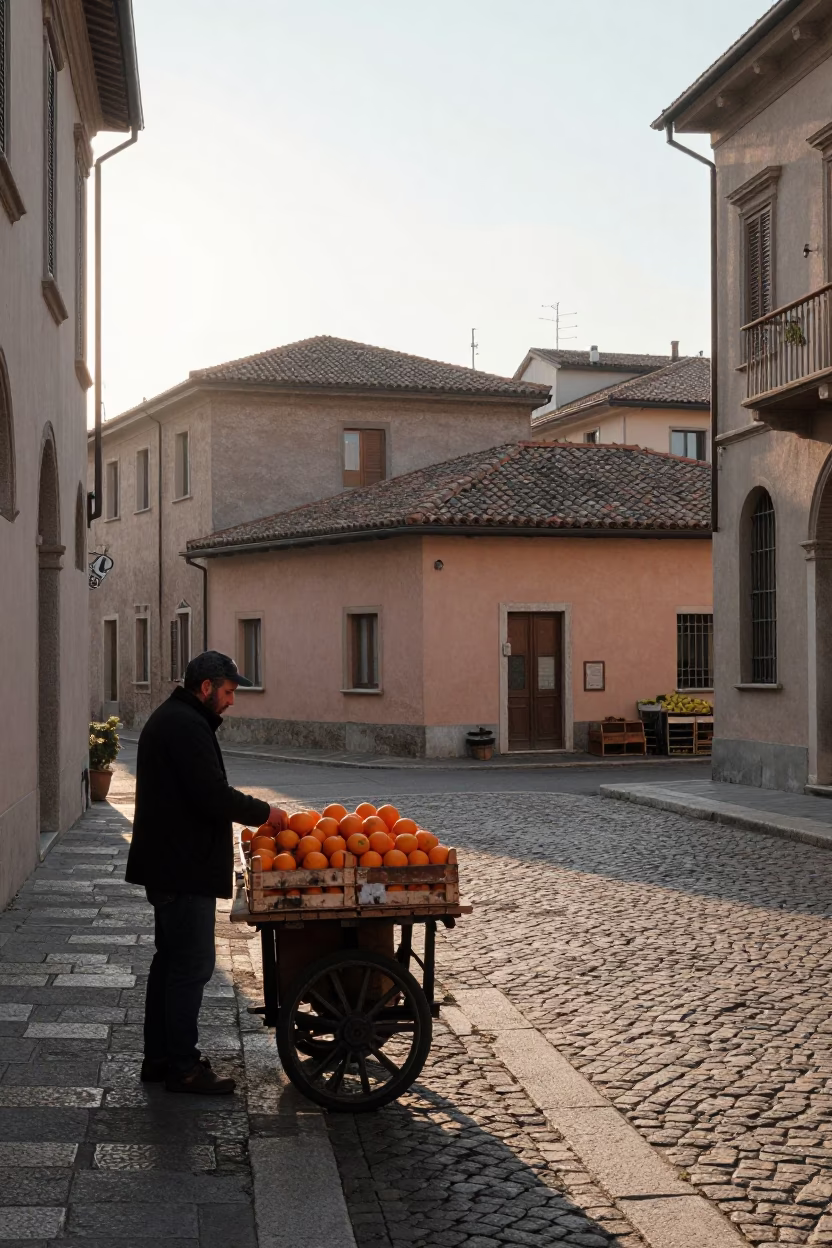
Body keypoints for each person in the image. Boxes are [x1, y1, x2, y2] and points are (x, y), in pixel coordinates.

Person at [126, 650, 288, 1094]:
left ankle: (159, 1059)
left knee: (170, 963)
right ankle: (182, 1066)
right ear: (206, 688)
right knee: (191, 966)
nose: (232, 701)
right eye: (229, 692)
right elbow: (212, 795)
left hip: (173, 864)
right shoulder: (183, 725)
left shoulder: (181, 719)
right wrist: (266, 813)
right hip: (181, 868)